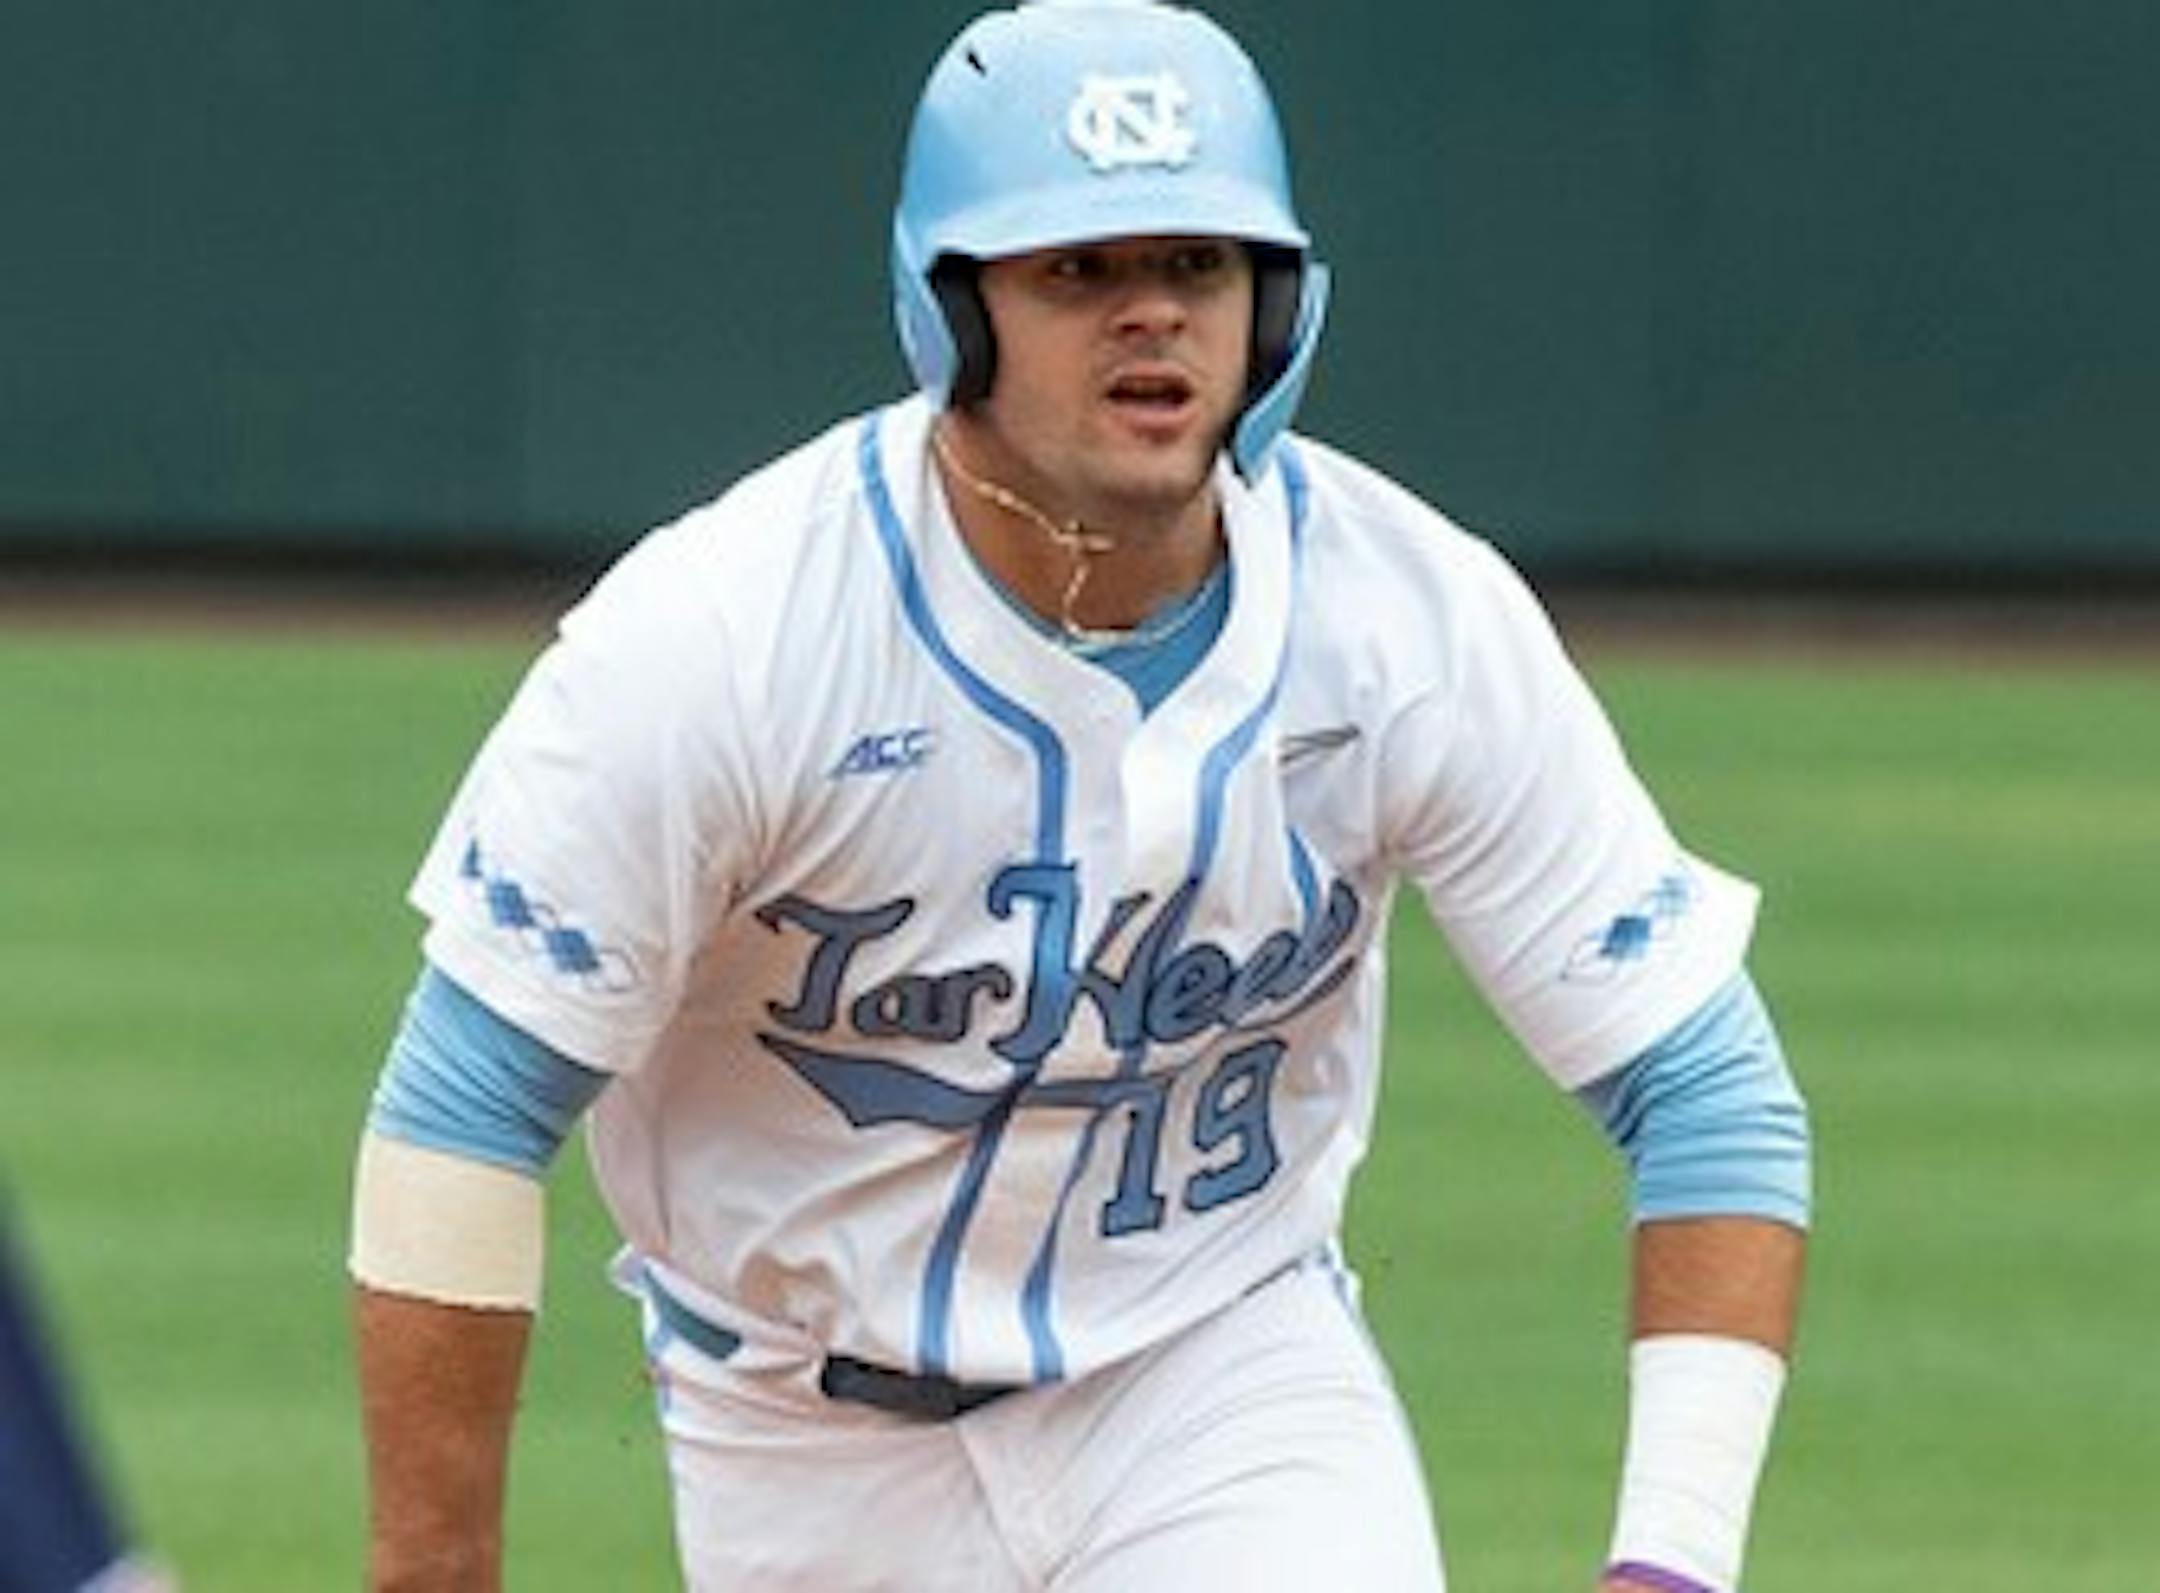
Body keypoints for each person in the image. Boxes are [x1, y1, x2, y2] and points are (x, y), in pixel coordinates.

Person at [350, 2, 1812, 1588]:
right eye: (1079, 270)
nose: (1153, 319)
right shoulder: (725, 633)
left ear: (1278, 306)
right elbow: (463, 1116)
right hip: (800, 1432)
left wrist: (1669, 1567)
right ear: (952, 313)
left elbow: (1712, 1098)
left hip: (1224, 1386)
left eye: (1197, 265)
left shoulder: (1407, 620)